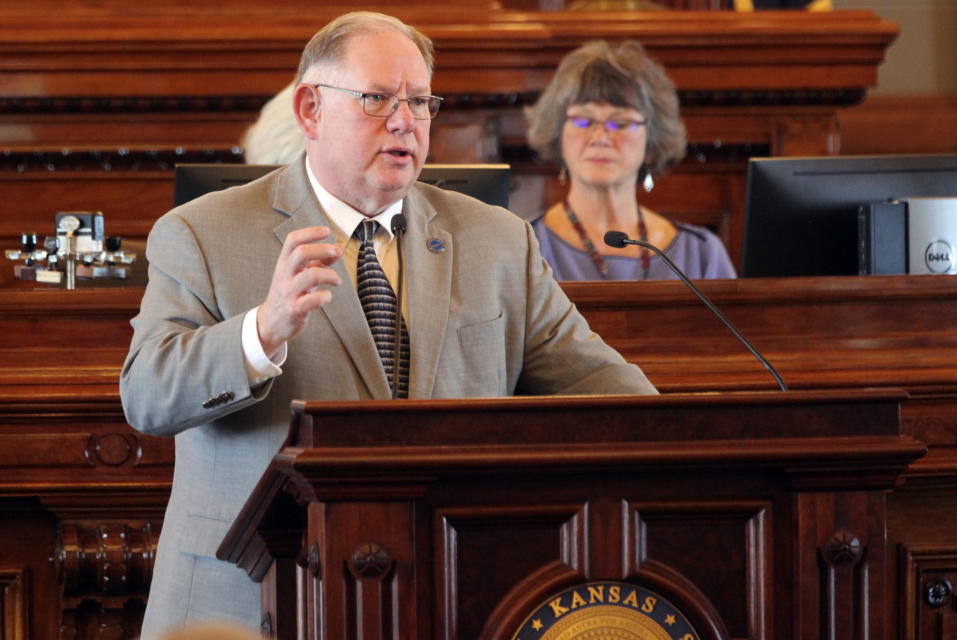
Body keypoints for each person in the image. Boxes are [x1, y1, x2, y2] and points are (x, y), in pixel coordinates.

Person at [119, 11, 657, 638]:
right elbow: (147, 397)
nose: (405, 119)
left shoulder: (497, 241)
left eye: (421, 101)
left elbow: (615, 396)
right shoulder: (202, 233)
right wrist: (261, 332)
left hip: (444, 594)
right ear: (310, 109)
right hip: (248, 601)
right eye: (377, 99)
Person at [525, 40, 736, 281]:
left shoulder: (701, 253)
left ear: (651, 141)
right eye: (584, 121)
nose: (600, 137)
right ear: (558, 134)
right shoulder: (525, 249)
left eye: (620, 123)